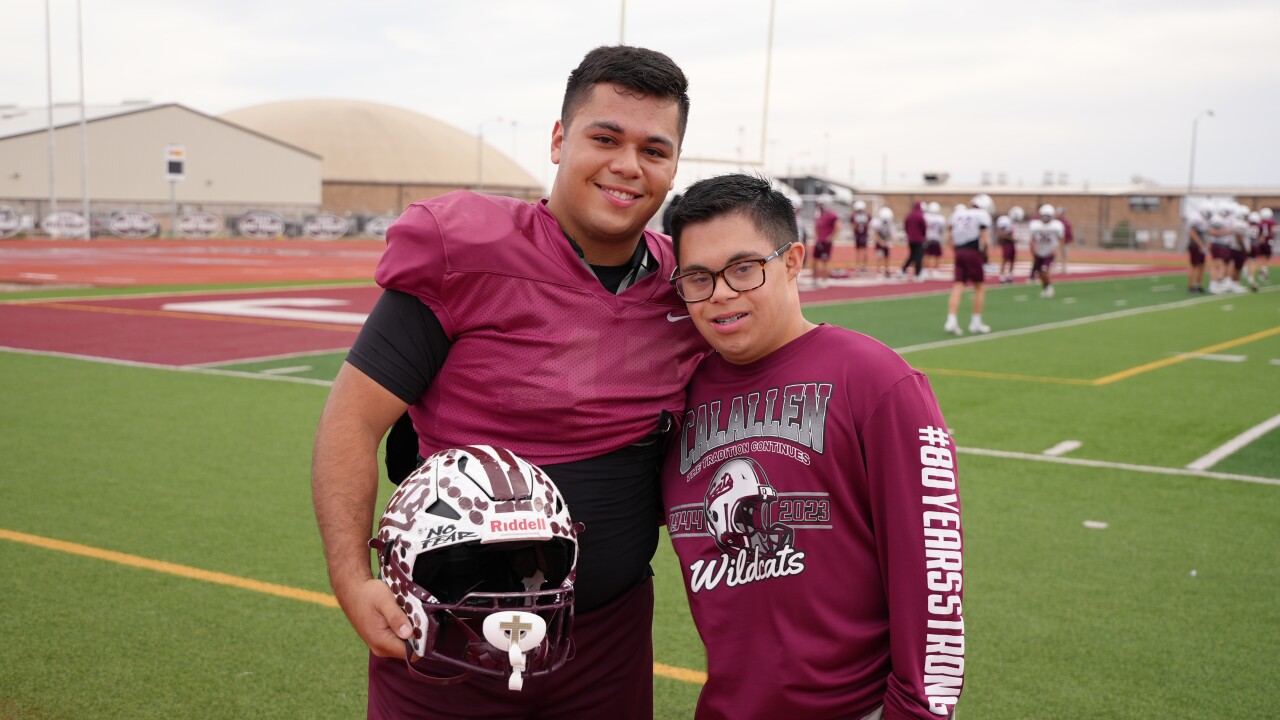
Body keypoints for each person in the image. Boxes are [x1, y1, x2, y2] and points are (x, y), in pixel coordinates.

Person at [311, 45, 709, 719]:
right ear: (558, 140)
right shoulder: (465, 252)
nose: (627, 166)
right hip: (444, 632)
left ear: (673, 166)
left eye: (653, 150)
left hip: (605, 643)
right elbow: (353, 420)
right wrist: (350, 579)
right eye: (605, 138)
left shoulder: (691, 288)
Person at [662, 173, 964, 720]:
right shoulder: (674, 398)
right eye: (698, 278)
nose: (722, 294)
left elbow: (934, 578)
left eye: (743, 269)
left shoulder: (874, 378)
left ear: (794, 260)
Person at [944, 194, 993, 335]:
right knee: (980, 287)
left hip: (959, 252)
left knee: (958, 285)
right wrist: (985, 254)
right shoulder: (981, 215)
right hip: (972, 251)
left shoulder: (958, 214)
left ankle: (951, 320)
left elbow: (950, 238)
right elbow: (986, 240)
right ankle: (975, 322)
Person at [1028, 204, 1064, 298]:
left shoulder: (1056, 226)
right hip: (1039, 251)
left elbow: (1061, 239)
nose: (1045, 218)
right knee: (1040, 272)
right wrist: (1033, 247)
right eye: (1044, 216)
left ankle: (1049, 287)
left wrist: (1057, 249)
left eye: (1048, 216)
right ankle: (1046, 287)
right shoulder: (1035, 225)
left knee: (1044, 270)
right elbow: (1033, 238)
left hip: (1049, 252)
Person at [811, 198, 840, 288]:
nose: (820, 206)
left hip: (826, 242)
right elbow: (816, 226)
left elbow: (838, 226)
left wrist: (831, 237)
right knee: (815, 260)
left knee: (825, 261)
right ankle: (815, 279)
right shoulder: (818, 214)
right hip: (819, 241)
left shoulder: (832, 215)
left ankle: (825, 280)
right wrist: (816, 236)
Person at [1186, 205, 1211, 294]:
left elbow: (1206, 234)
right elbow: (1192, 233)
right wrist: (1201, 244)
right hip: (1195, 246)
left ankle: (1199, 285)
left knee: (1202, 266)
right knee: (1195, 266)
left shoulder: (1205, 220)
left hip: (1201, 246)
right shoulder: (1196, 218)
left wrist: (1205, 245)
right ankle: (1191, 286)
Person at [995, 205, 1023, 284]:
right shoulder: (1005, 220)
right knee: (1005, 259)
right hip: (1005, 242)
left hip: (1010, 242)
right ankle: (1002, 276)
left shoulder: (1011, 222)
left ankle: (1010, 275)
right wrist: (1013, 239)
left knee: (1012, 259)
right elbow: (1000, 233)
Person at [900, 200, 927, 281]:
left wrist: (909, 234)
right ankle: (918, 274)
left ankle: (903, 270)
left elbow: (905, 226)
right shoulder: (920, 216)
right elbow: (924, 228)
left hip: (911, 239)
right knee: (918, 257)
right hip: (919, 239)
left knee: (912, 256)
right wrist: (923, 236)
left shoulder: (909, 215)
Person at [924, 201, 946, 280]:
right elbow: (941, 229)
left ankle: (926, 270)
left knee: (927, 255)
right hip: (936, 238)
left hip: (928, 238)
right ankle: (935, 270)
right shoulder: (940, 218)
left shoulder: (926, 217)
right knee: (937, 255)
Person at [850, 200, 872, 274]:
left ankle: (864, 266)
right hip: (857, 235)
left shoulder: (867, 216)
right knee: (858, 251)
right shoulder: (853, 216)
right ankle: (858, 266)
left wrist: (865, 222)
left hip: (864, 235)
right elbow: (853, 227)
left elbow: (869, 226)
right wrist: (857, 223)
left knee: (864, 251)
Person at [873, 206, 895, 279]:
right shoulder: (877, 222)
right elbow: (875, 234)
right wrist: (880, 241)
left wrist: (889, 241)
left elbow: (890, 233)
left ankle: (886, 270)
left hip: (886, 241)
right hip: (879, 242)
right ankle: (879, 271)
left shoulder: (890, 223)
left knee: (887, 256)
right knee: (879, 256)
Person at [1056, 206, 1073, 275]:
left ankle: (1064, 268)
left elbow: (1069, 232)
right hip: (1056, 241)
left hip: (1065, 242)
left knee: (1064, 255)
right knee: (1055, 255)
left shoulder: (1066, 222)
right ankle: (1054, 267)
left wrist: (1069, 239)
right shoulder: (1056, 222)